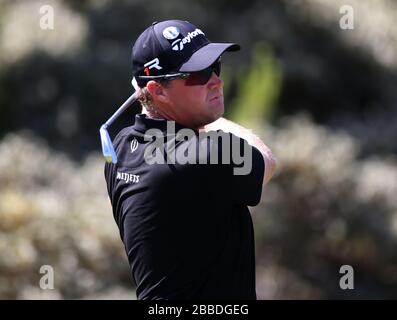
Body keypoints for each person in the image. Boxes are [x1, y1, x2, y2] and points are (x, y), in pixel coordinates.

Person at [104, 19, 276, 300]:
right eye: (198, 74)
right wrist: (210, 120)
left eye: (215, 66)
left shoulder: (121, 147)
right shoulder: (208, 153)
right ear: (158, 91)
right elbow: (266, 159)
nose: (217, 81)